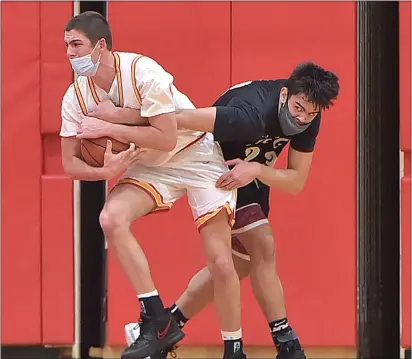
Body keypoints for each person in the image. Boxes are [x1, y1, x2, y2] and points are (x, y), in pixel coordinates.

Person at [111, 62, 339, 359]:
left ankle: (168, 325)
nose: (302, 118)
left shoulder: (309, 115)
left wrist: (256, 169)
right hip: (212, 162)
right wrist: (120, 122)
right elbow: (180, 118)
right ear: (284, 94)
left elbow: (296, 181)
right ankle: (287, 345)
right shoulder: (251, 110)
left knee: (239, 263)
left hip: (247, 172)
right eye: (298, 108)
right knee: (262, 245)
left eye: (311, 113)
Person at [60, 11, 245, 359]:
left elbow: (166, 136)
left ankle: (234, 349)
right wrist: (105, 170)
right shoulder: (76, 97)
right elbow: (70, 162)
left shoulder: (143, 71)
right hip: (149, 166)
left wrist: (111, 128)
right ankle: (156, 318)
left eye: (76, 44)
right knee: (110, 219)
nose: (70, 53)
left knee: (221, 263)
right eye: (66, 46)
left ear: (100, 46)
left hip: (195, 154)